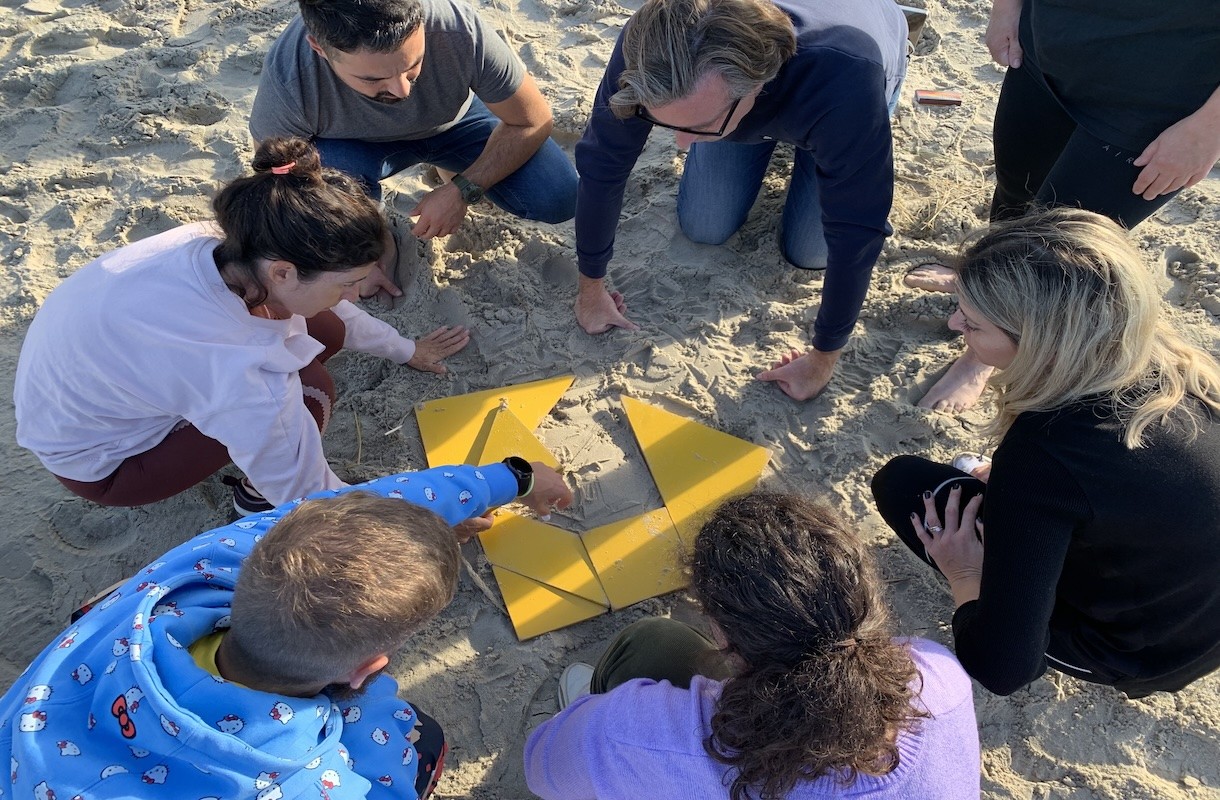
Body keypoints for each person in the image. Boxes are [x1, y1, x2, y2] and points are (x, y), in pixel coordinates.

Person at [0, 458, 572, 800]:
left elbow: (371, 499)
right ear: (369, 667)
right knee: (416, 738)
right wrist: (379, 713)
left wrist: (510, 476)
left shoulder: (211, 561)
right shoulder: (301, 782)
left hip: (38, 740)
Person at [14, 137, 470, 514]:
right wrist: (426, 517)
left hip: (83, 401)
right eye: (349, 282)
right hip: (107, 466)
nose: (356, 294)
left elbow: (332, 313)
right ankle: (251, 500)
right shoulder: (235, 365)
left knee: (324, 327)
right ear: (283, 273)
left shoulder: (228, 243)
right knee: (311, 387)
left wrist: (406, 349)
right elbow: (305, 491)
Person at [873, 208, 1220, 697]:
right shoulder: (1176, 363)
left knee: (904, 486)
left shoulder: (1046, 451)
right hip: (1195, 607)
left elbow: (1003, 668)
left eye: (972, 324)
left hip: (1138, 651)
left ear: (1041, 342)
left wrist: (967, 573)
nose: (955, 325)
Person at [524, 492, 980, 799]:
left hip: (636, 745)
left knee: (649, 645)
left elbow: (542, 769)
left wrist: (602, 725)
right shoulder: (939, 676)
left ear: (722, 634)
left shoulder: (636, 733)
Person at [572, 0, 908, 401]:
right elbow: (602, 164)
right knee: (704, 224)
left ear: (756, 86)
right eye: (665, 121)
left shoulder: (847, 75)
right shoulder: (653, 42)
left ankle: (804, 143)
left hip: (844, 73)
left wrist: (823, 358)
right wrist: (590, 288)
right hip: (732, 101)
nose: (679, 143)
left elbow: (858, 228)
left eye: (695, 126)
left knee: (808, 251)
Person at [911, 0, 1220, 411]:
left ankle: (979, 358)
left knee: (1054, 253)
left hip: (1158, 102)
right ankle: (982, 286)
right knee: (1013, 192)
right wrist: (1005, 9)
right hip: (1045, 49)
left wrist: (1209, 130)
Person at [250, 0, 579, 298]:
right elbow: (277, 183)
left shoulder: (457, 28)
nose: (402, 90)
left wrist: (464, 190)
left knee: (559, 196)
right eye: (373, 79)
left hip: (457, 124)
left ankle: (450, 168)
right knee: (320, 215)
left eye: (413, 65)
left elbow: (534, 120)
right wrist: (356, 253)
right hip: (354, 147)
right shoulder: (290, 78)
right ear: (319, 48)